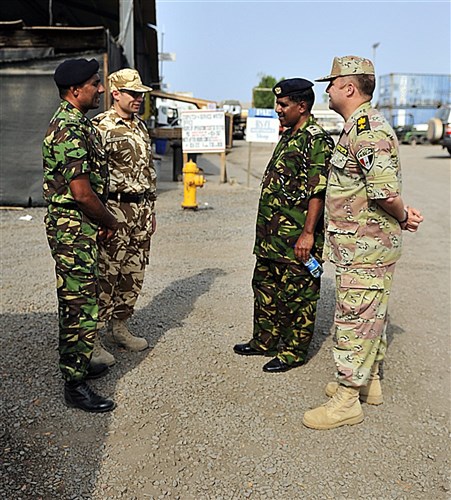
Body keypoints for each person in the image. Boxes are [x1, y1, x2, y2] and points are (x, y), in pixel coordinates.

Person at [302, 56, 424, 430]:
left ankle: (347, 399)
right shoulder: (356, 127)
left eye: (333, 84)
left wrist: (403, 216)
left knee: (355, 319)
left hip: (366, 248)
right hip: (359, 247)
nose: (327, 90)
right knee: (369, 315)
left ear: (349, 88)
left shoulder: (368, 129)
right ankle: (369, 382)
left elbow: (385, 193)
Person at [233, 78, 335, 372]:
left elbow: (318, 190)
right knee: (265, 288)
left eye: (283, 104)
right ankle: (265, 340)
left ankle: (293, 352)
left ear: (302, 106)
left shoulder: (315, 138)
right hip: (271, 238)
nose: (277, 109)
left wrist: (307, 235)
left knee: (297, 296)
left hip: (295, 239)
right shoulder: (291, 134)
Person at [43, 58, 118, 413]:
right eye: (94, 83)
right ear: (76, 90)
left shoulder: (78, 123)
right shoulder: (68, 129)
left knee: (84, 297)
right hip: (73, 229)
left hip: (81, 226)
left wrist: (97, 219)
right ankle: (74, 383)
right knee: (79, 304)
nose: (101, 89)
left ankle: (82, 360)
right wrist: (111, 221)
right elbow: (82, 193)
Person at [91, 68, 157, 366]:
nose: (138, 98)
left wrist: (151, 210)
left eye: (140, 93)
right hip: (114, 209)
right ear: (115, 93)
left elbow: (148, 172)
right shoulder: (100, 127)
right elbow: (92, 178)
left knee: (133, 272)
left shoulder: (140, 127)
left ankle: (119, 327)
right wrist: (101, 218)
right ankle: (91, 338)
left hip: (140, 210)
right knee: (107, 272)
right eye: (132, 93)